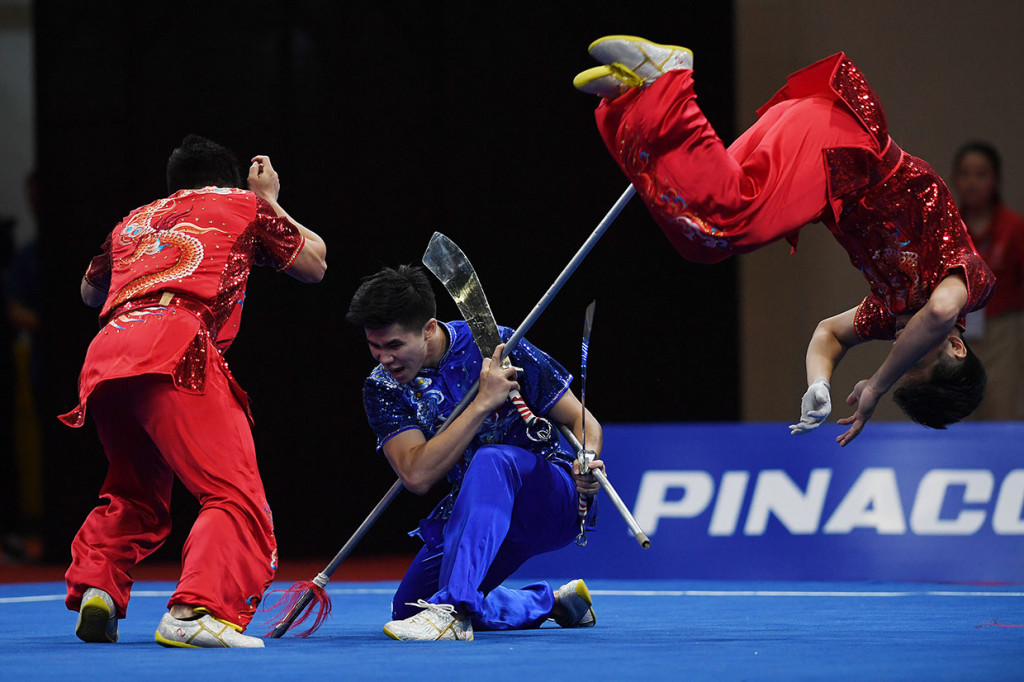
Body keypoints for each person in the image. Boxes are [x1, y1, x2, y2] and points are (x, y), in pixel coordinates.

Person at [573, 36, 995, 445]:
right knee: (735, 223)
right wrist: (875, 387)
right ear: (956, 346)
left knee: (699, 241)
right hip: (844, 147)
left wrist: (820, 383)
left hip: (816, 145)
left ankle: (631, 100)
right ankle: (670, 79)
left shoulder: (893, 313)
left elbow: (828, 334)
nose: (901, 346)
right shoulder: (969, 287)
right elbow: (940, 311)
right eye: (914, 356)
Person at [60, 135, 327, 647]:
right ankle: (195, 610)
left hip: (108, 351)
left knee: (134, 487)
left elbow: (89, 291)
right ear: (227, 181)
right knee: (232, 492)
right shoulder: (242, 203)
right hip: (176, 343)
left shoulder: (133, 219)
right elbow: (315, 264)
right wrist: (269, 199)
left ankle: (99, 585)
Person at [345, 265, 601, 641]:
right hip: (481, 519)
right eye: (375, 346)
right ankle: (550, 603)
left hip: (550, 499)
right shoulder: (382, 388)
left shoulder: (499, 346)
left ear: (428, 328)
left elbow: (585, 425)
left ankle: (454, 610)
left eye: (395, 345)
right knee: (411, 607)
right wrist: (480, 404)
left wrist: (586, 460)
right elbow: (416, 475)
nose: (384, 358)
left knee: (492, 460)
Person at [951, 141, 1024, 420]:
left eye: (981, 175)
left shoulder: (1012, 227)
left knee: (1000, 408)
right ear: (956, 179)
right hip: (958, 329)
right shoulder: (950, 225)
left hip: (1001, 331)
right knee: (958, 409)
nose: (972, 182)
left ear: (995, 180)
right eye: (965, 174)